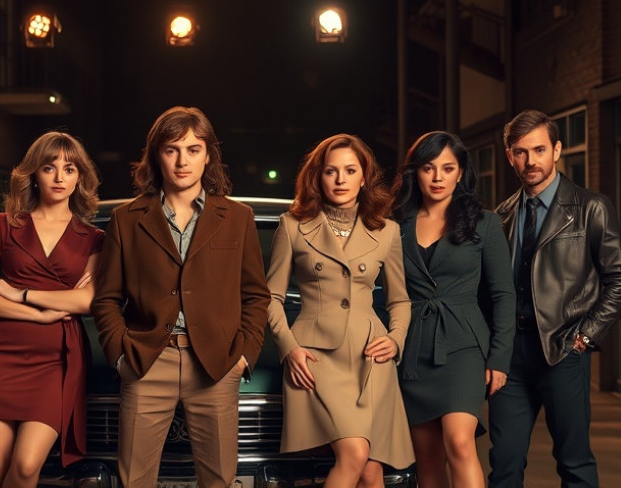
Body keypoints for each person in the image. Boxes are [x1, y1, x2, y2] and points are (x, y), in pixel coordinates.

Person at [92, 106, 269, 487]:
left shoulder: (238, 218)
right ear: (157, 155)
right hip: (146, 362)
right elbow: (106, 298)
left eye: (193, 149)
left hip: (216, 366)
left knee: (219, 480)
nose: (182, 160)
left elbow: (255, 294)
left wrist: (243, 356)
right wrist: (121, 354)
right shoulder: (127, 218)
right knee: (134, 481)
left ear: (209, 155)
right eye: (172, 149)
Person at [265, 134, 414, 488]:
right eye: (331, 171)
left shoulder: (388, 232)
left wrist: (396, 339)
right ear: (318, 177)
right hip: (315, 359)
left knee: (372, 471)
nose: (341, 179)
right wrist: (289, 348)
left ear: (364, 177)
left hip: (371, 359)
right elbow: (270, 298)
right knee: (354, 455)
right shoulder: (292, 226)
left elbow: (399, 300)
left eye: (350, 170)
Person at [489, 109, 621, 487]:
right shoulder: (501, 217)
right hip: (510, 358)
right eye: (519, 151)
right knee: (505, 465)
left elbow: (617, 278)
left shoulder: (591, 208)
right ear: (509, 155)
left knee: (574, 463)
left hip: (563, 349)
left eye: (539, 150)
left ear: (557, 150)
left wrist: (584, 337)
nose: (530, 161)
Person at [0, 131, 103, 488]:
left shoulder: (93, 238)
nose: (59, 177)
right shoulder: (3, 225)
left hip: (56, 361)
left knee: (26, 467)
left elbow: (86, 301)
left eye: (69, 169)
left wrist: (19, 293)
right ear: (33, 174)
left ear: (80, 177)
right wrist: (42, 313)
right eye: (49, 167)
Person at [390, 131, 515, 488]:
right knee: (427, 460)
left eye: (448, 168)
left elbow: (503, 294)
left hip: (463, 346)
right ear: (417, 172)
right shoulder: (394, 225)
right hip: (412, 349)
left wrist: (499, 359)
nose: (438, 177)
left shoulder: (485, 223)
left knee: (460, 443)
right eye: (429, 168)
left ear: (460, 173)